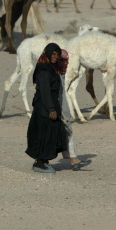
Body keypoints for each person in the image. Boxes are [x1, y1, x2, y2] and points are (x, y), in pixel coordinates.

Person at [25, 43, 67, 174]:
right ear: (47, 54)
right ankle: (40, 163)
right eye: (53, 54)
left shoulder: (51, 68)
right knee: (44, 135)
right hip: (44, 109)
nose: (55, 57)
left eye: (57, 54)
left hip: (49, 108)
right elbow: (45, 91)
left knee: (50, 135)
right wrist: (51, 109)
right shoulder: (44, 70)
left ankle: (43, 162)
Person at [57, 49, 92, 171]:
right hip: (53, 109)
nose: (65, 63)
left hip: (59, 109)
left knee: (67, 129)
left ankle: (73, 158)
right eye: (62, 60)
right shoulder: (49, 73)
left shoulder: (59, 73)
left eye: (66, 60)